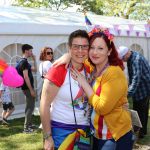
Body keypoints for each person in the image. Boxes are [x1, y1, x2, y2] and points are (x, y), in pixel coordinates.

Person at [54, 27, 134, 150]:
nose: (95, 52)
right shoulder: (93, 68)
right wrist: (67, 55)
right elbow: (78, 56)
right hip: (97, 134)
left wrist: (84, 83)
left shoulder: (113, 72)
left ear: (109, 51)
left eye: (100, 48)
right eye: (92, 47)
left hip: (114, 136)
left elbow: (102, 108)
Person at [40, 30, 91, 150]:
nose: (80, 51)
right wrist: (47, 137)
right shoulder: (58, 70)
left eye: (84, 47)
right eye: (76, 47)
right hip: (61, 131)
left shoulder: (90, 69)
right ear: (69, 48)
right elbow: (44, 104)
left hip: (85, 132)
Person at [117, 46, 150, 139]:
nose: (123, 60)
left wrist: (126, 95)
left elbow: (136, 79)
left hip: (143, 88)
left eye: (123, 58)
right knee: (142, 111)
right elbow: (132, 77)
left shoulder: (136, 60)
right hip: (141, 88)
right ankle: (142, 132)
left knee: (139, 112)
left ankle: (139, 134)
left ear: (127, 53)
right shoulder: (131, 58)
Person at [18, 44, 37, 133]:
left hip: (26, 88)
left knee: (29, 106)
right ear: (26, 51)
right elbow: (26, 77)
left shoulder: (24, 62)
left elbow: (35, 69)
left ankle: (29, 124)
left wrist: (34, 59)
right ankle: (26, 128)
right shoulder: (24, 62)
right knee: (30, 107)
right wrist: (31, 90)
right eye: (30, 51)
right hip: (27, 88)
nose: (31, 53)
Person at [38, 47, 54, 129]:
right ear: (43, 54)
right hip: (51, 86)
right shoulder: (48, 63)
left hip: (44, 85)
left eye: (51, 53)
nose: (50, 54)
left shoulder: (41, 64)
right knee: (51, 105)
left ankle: (43, 123)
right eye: (48, 53)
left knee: (46, 105)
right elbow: (53, 76)